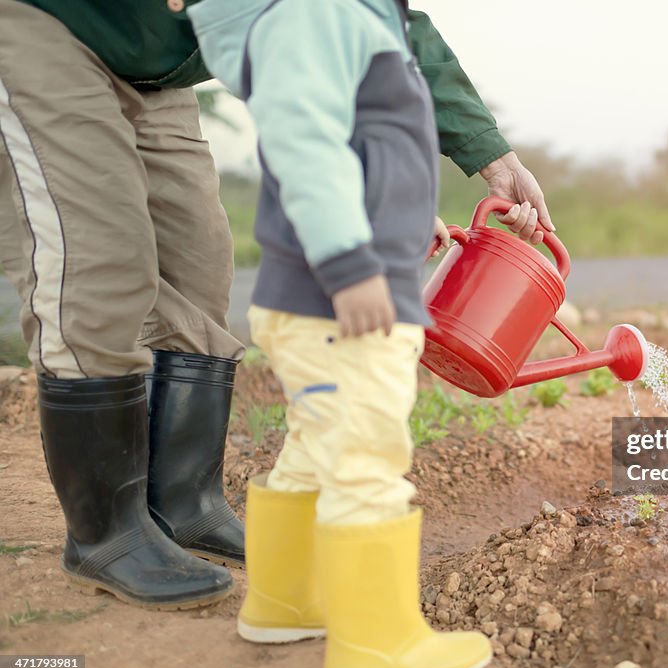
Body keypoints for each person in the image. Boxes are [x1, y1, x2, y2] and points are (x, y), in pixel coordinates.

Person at [0, 0, 552, 611]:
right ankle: (106, 533)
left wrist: (489, 155)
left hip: (154, 67)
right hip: (49, 25)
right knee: (101, 257)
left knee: (201, 261)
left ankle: (186, 504)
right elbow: (303, 114)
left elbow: (382, 28)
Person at [187, 0, 504, 668]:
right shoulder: (316, 11)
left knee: (319, 441)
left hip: (321, 301)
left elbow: (366, 143)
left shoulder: (337, 15)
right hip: (341, 302)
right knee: (366, 454)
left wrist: (403, 221)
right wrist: (352, 263)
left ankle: (284, 603)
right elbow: (304, 140)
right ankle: (377, 650)